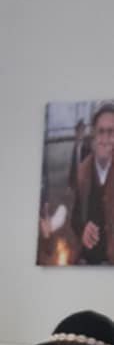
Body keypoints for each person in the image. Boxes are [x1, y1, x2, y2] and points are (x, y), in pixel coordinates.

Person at [42, 105, 114, 264]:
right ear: (94, 134)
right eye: (101, 131)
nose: (105, 139)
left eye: (111, 132)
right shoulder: (83, 171)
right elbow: (72, 212)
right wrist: (58, 224)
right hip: (88, 259)